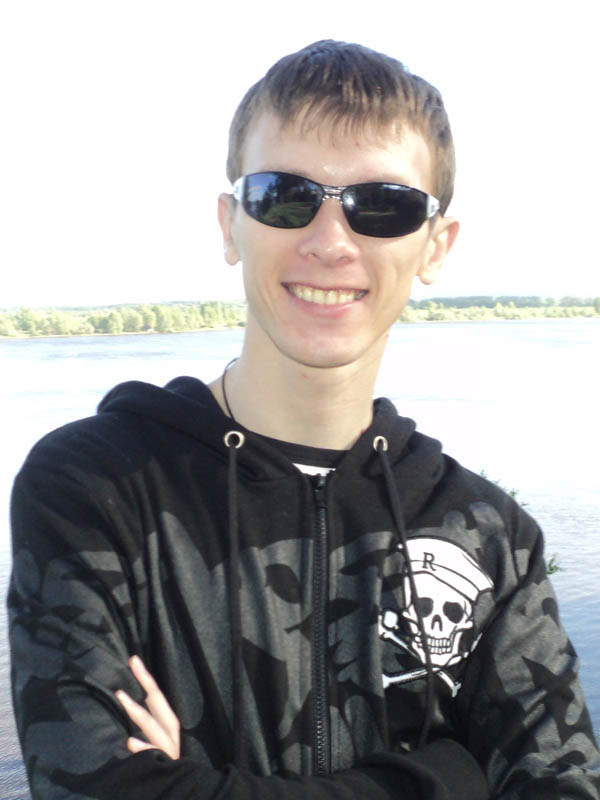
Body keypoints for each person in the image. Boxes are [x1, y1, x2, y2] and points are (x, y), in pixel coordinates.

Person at [8, 39, 599, 800]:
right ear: (230, 225)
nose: (329, 242)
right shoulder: (99, 488)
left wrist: (195, 783)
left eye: (382, 205)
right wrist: (449, 777)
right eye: (284, 197)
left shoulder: (490, 537)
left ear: (435, 246)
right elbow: (94, 787)